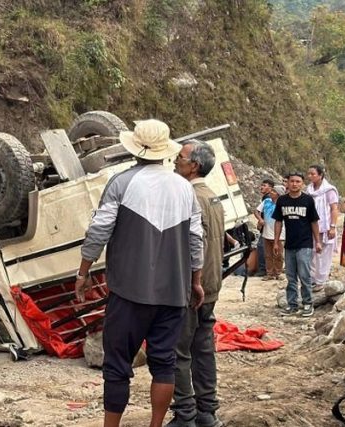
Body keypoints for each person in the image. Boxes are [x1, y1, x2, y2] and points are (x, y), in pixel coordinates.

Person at [74, 119, 204, 427]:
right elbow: (196, 239)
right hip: (173, 293)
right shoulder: (185, 189)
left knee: (117, 365)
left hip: (129, 292)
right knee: (164, 364)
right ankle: (155, 425)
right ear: (165, 151)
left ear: (135, 148)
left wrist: (84, 271)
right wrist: (195, 281)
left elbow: (99, 230)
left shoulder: (121, 183)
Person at [169, 140, 223, 427]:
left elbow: (195, 244)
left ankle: (185, 414)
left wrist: (193, 282)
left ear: (194, 166)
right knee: (203, 349)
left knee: (178, 350)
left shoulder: (188, 197)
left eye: (181, 157)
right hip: (212, 285)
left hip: (193, 288)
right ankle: (207, 412)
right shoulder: (213, 197)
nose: (176, 161)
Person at [273, 172, 321, 318]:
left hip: (305, 244)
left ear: (302, 184)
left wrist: (317, 241)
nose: (294, 184)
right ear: (287, 183)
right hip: (289, 244)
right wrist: (276, 242)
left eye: (298, 181)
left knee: (305, 275)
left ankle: (308, 303)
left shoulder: (308, 200)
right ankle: (292, 304)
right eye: (292, 181)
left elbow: (314, 221)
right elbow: (278, 221)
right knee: (290, 276)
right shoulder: (282, 200)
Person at [306, 165, 339, 292]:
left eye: (313, 174)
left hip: (325, 227)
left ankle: (321, 280)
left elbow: (334, 208)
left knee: (324, 254)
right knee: (313, 252)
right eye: (309, 174)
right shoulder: (309, 190)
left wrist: (332, 226)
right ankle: (313, 279)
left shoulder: (329, 190)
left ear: (320, 175)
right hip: (311, 226)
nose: (310, 176)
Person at [258, 185, 286, 281]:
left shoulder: (283, 204)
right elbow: (256, 211)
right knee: (268, 255)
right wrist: (260, 219)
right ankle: (269, 273)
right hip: (267, 233)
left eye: (274, 191)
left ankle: (278, 272)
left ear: (278, 194)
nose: (271, 192)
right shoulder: (266, 202)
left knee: (278, 254)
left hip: (279, 234)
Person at [253, 179, 274, 275]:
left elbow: (262, 212)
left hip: (269, 227)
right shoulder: (266, 198)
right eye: (261, 185)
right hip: (267, 227)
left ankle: (263, 270)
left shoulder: (268, 198)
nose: (261, 187)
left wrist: (261, 221)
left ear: (270, 188)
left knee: (262, 247)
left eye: (264, 185)